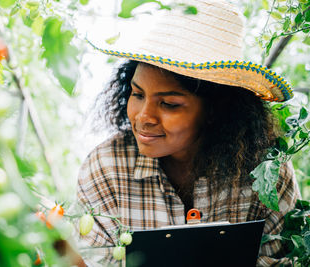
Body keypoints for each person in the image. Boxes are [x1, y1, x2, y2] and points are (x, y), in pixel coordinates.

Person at [77, 0, 301, 266]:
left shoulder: (266, 171)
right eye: (137, 94)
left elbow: (283, 259)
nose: (143, 117)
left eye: (169, 104)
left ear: (215, 110)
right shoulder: (105, 169)